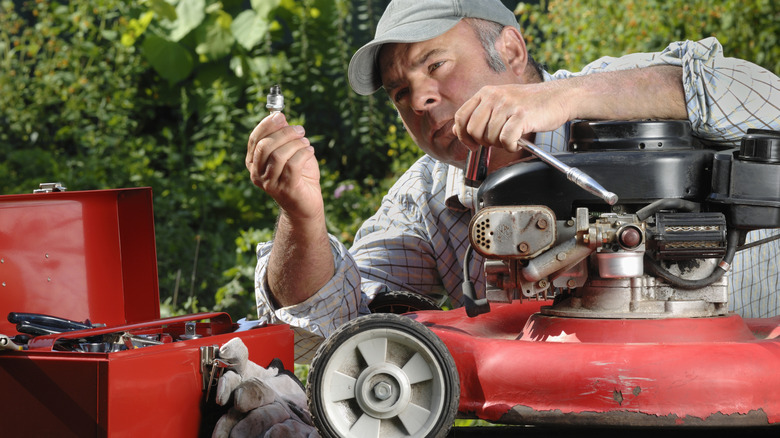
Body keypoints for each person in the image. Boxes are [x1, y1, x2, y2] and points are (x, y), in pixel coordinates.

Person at [246, 0, 780, 363]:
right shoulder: (425, 200)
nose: (420, 99)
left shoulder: (617, 90)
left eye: (435, 64)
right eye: (399, 93)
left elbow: (762, 97)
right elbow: (324, 335)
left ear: (512, 50)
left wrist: (560, 100)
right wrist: (303, 217)